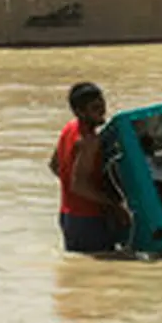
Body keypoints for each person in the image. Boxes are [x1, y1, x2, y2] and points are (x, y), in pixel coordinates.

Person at [49, 82, 131, 253]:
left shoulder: (69, 128)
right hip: (88, 219)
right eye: (95, 108)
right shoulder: (89, 141)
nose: (102, 112)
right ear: (80, 112)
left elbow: (55, 165)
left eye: (102, 105)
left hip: (68, 216)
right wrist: (114, 206)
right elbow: (79, 186)